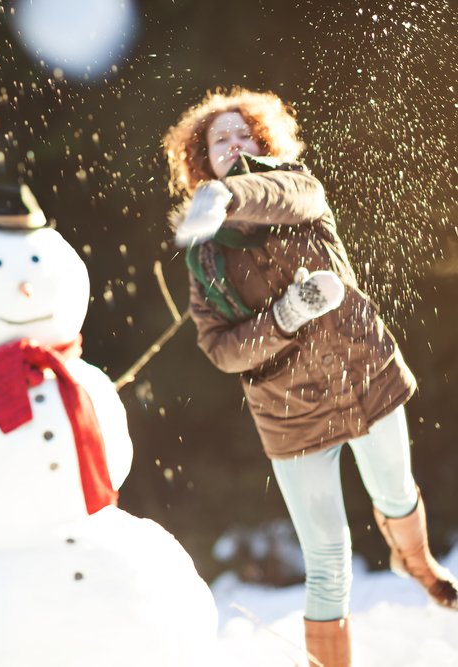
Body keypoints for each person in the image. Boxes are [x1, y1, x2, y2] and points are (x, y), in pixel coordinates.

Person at [162, 88, 456, 667]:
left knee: (395, 494)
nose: (234, 143)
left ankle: (415, 562)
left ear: (264, 143)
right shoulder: (204, 258)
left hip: (365, 375)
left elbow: (277, 194)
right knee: (327, 558)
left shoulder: (297, 187)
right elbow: (220, 349)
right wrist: (284, 318)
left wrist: (226, 194)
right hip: (288, 414)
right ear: (201, 158)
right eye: (220, 139)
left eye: (244, 134)